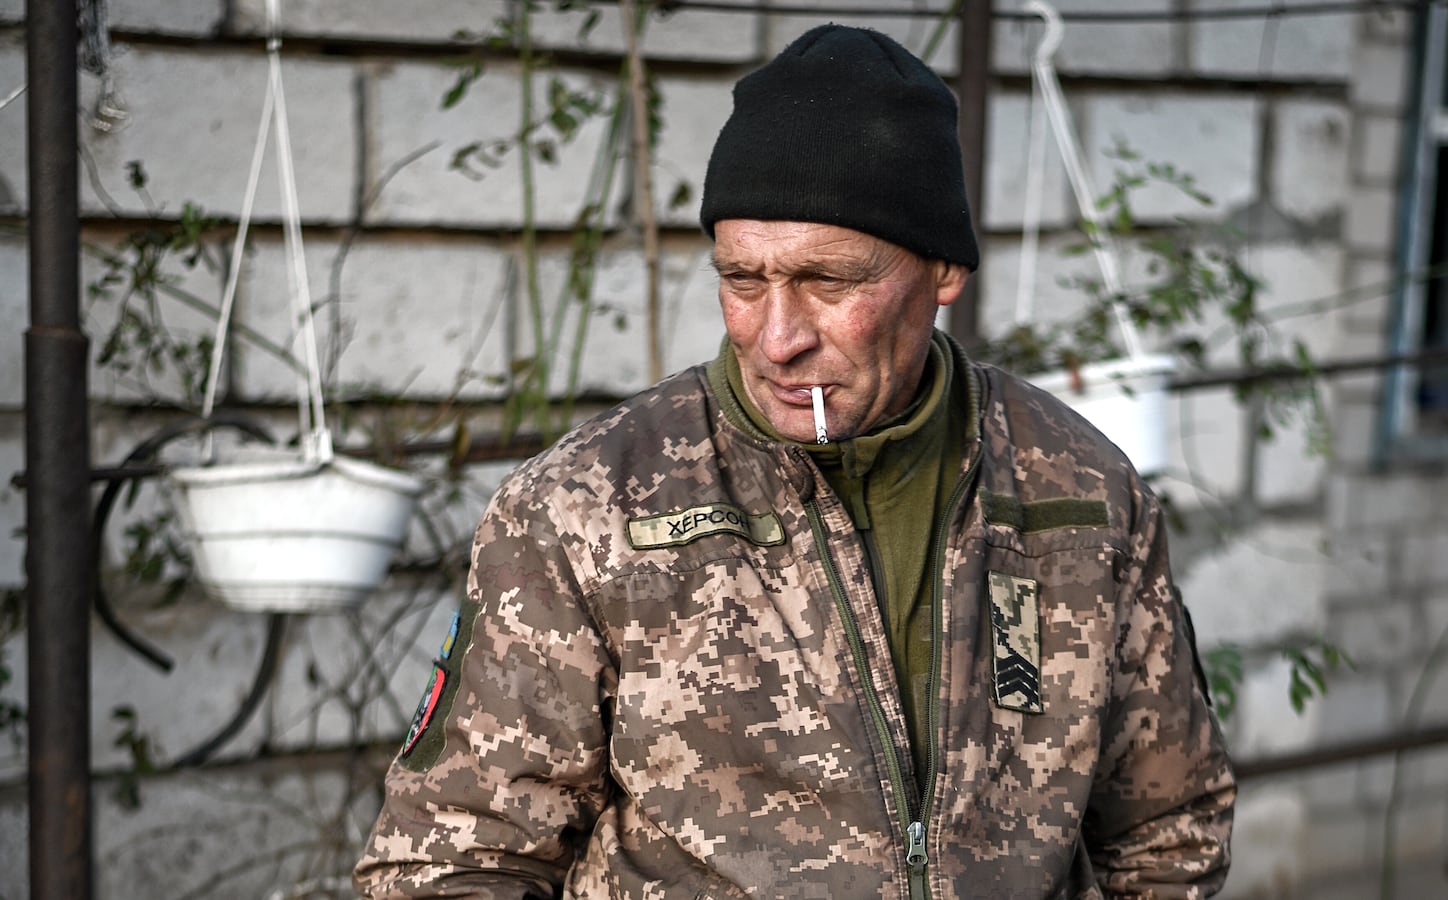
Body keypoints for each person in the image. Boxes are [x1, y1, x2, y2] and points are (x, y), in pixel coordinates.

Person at [354, 23, 1234, 900]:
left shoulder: (1077, 492)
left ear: (943, 270)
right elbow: (450, 864)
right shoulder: (588, 507)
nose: (777, 338)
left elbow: (1168, 830)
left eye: (830, 282)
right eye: (742, 281)